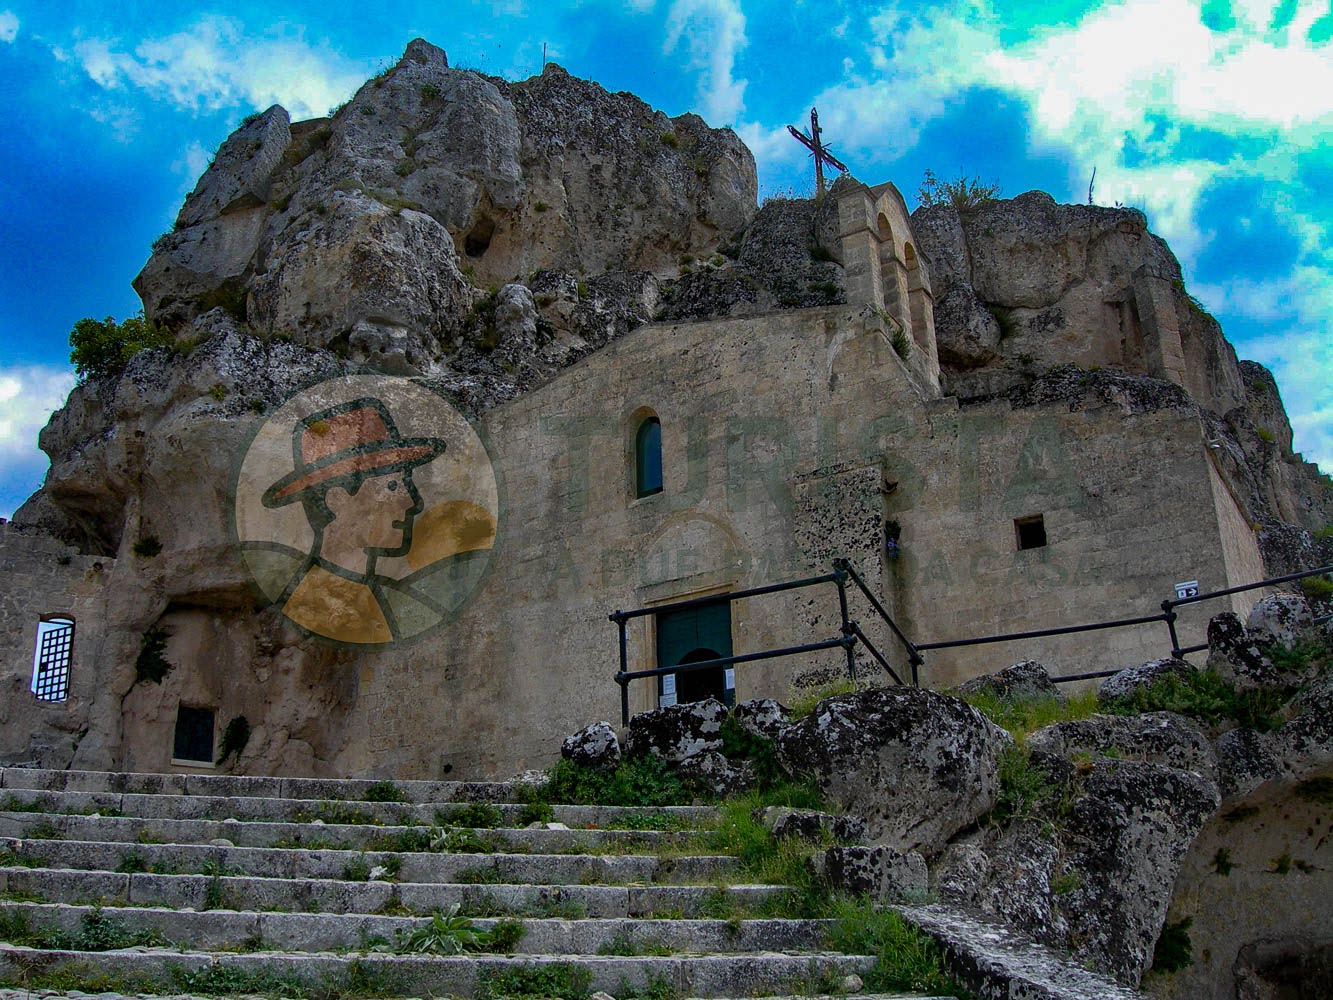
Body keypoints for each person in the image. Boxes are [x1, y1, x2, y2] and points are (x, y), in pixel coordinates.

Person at [261, 398, 449, 644]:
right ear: (337, 499)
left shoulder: (385, 600)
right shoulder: (314, 609)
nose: (412, 503)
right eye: (392, 486)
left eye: (405, 484)